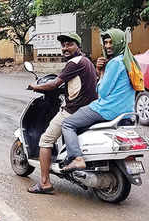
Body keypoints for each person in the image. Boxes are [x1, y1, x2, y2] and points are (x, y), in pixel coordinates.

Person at [27, 33, 98, 194]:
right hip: (90, 109)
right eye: (63, 45)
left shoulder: (73, 63)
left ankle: (44, 183)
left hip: (74, 110)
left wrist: (35, 87)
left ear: (78, 46)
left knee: (45, 140)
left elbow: (54, 84)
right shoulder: (87, 62)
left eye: (69, 45)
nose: (65, 48)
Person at [61, 28, 140, 171]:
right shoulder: (130, 61)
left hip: (107, 109)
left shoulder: (115, 63)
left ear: (120, 42)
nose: (108, 46)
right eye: (106, 42)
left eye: (111, 42)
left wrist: (101, 72)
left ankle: (77, 158)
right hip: (127, 111)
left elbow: (102, 92)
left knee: (68, 123)